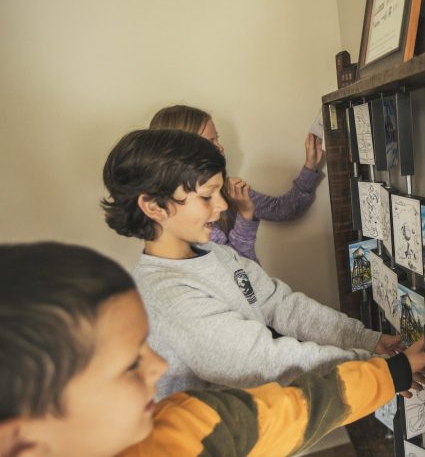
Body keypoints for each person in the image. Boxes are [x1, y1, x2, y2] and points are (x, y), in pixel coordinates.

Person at [0, 242, 425, 456]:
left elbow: (297, 408)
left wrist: (391, 373)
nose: (157, 365)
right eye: (129, 364)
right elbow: (263, 360)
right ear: (21, 442)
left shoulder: (183, 424)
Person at [101, 129, 403, 399]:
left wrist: (367, 340)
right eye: (207, 196)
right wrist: (379, 369)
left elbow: (280, 304)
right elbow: (263, 362)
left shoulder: (215, 253)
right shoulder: (167, 294)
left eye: (219, 192)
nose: (221, 206)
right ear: (154, 207)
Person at [148, 104, 323, 264]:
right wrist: (246, 216)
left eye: (217, 139)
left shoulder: (226, 189)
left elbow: (286, 209)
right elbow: (237, 271)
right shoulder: (180, 219)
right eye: (211, 142)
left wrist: (310, 167)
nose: (221, 147)